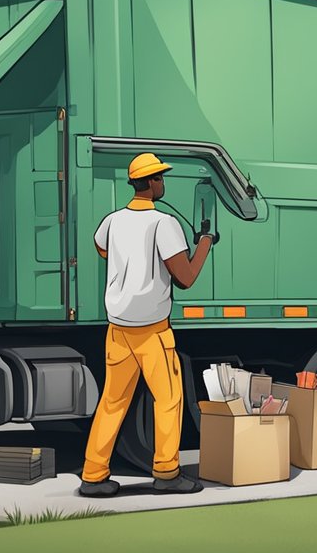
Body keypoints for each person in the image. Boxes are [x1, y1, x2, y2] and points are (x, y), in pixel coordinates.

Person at [79, 153, 215, 497]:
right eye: (161, 178)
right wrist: (203, 245)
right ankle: (167, 473)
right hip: (151, 330)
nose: (163, 182)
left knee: (112, 401)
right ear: (153, 183)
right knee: (168, 399)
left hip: (118, 329)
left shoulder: (112, 221)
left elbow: (102, 248)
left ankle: (93, 475)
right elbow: (185, 278)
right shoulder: (163, 223)